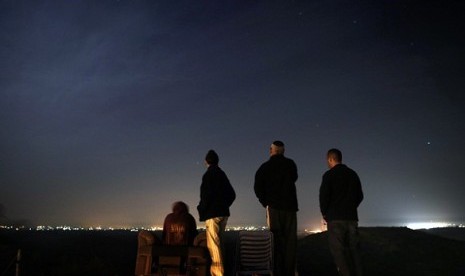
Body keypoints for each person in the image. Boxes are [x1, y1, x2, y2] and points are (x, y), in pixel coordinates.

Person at [254, 140, 298, 276]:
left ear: (270, 150)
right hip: (290, 208)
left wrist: (265, 202)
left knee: (276, 241)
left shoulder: (264, 167)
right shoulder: (290, 164)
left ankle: (278, 272)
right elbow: (295, 178)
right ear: (283, 151)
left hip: (273, 208)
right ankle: (289, 271)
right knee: (290, 242)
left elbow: (257, 187)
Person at [319, 148, 364, 276]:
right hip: (351, 218)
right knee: (355, 252)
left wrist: (325, 213)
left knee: (338, 252)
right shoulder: (353, 174)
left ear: (330, 159)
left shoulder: (328, 175)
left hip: (335, 219)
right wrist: (351, 207)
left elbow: (324, 197)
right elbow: (360, 195)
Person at [197, 150, 236, 276]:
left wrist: (201, 209)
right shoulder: (222, 174)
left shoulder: (208, 175)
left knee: (214, 246)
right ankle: (223, 271)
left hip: (213, 215)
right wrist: (224, 205)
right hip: (223, 214)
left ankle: (218, 273)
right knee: (220, 244)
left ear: (206, 162)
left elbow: (205, 196)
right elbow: (232, 194)